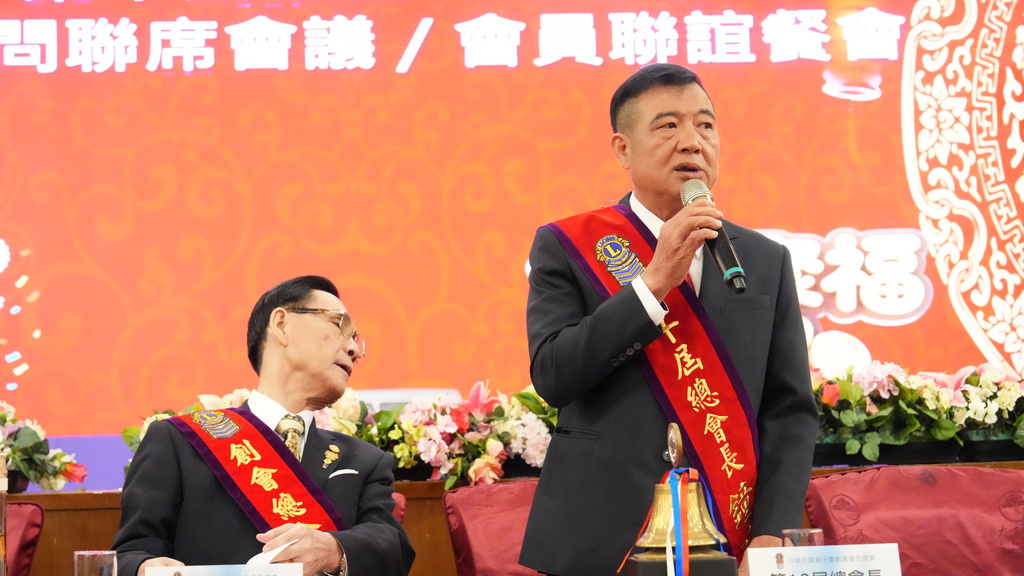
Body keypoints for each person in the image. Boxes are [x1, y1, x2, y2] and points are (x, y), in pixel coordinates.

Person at [518, 64, 818, 576]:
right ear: (622, 149)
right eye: (668, 126)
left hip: (730, 537)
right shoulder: (568, 244)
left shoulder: (764, 259)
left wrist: (772, 531)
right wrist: (652, 283)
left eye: (705, 125)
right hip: (602, 539)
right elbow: (553, 375)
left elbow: (789, 411)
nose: (692, 142)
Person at [113, 275, 415, 576]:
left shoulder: (364, 460)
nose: (354, 350)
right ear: (282, 324)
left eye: (356, 340)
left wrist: (334, 550)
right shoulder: (179, 441)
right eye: (341, 325)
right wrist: (144, 568)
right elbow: (131, 553)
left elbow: (394, 550)